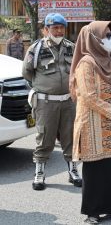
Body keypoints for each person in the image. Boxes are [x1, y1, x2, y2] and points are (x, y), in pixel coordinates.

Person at [70, 21, 111, 224]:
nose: (109, 40)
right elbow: (87, 95)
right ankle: (93, 212)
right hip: (93, 123)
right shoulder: (86, 63)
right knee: (95, 169)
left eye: (110, 35)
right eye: (105, 36)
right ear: (92, 39)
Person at [22, 13, 82, 191]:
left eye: (61, 27)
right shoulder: (36, 49)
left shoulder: (72, 47)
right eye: (54, 27)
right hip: (46, 102)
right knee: (44, 137)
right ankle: (39, 172)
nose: (58, 31)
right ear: (45, 30)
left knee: (70, 137)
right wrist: (45, 86)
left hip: (68, 101)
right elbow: (27, 72)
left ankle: (73, 171)